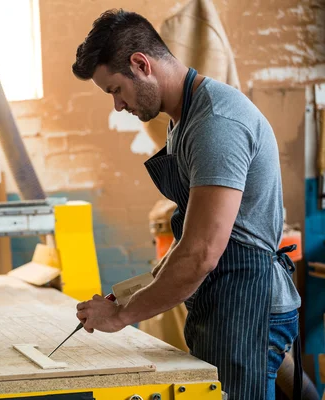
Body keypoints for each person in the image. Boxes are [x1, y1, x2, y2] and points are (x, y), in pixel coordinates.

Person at [71, 9, 302, 400]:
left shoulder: (215, 123)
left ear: (141, 64)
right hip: (223, 301)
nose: (118, 106)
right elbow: (193, 236)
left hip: (247, 307)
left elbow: (201, 253)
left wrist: (122, 317)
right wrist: (138, 289)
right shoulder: (184, 119)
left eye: (115, 90)